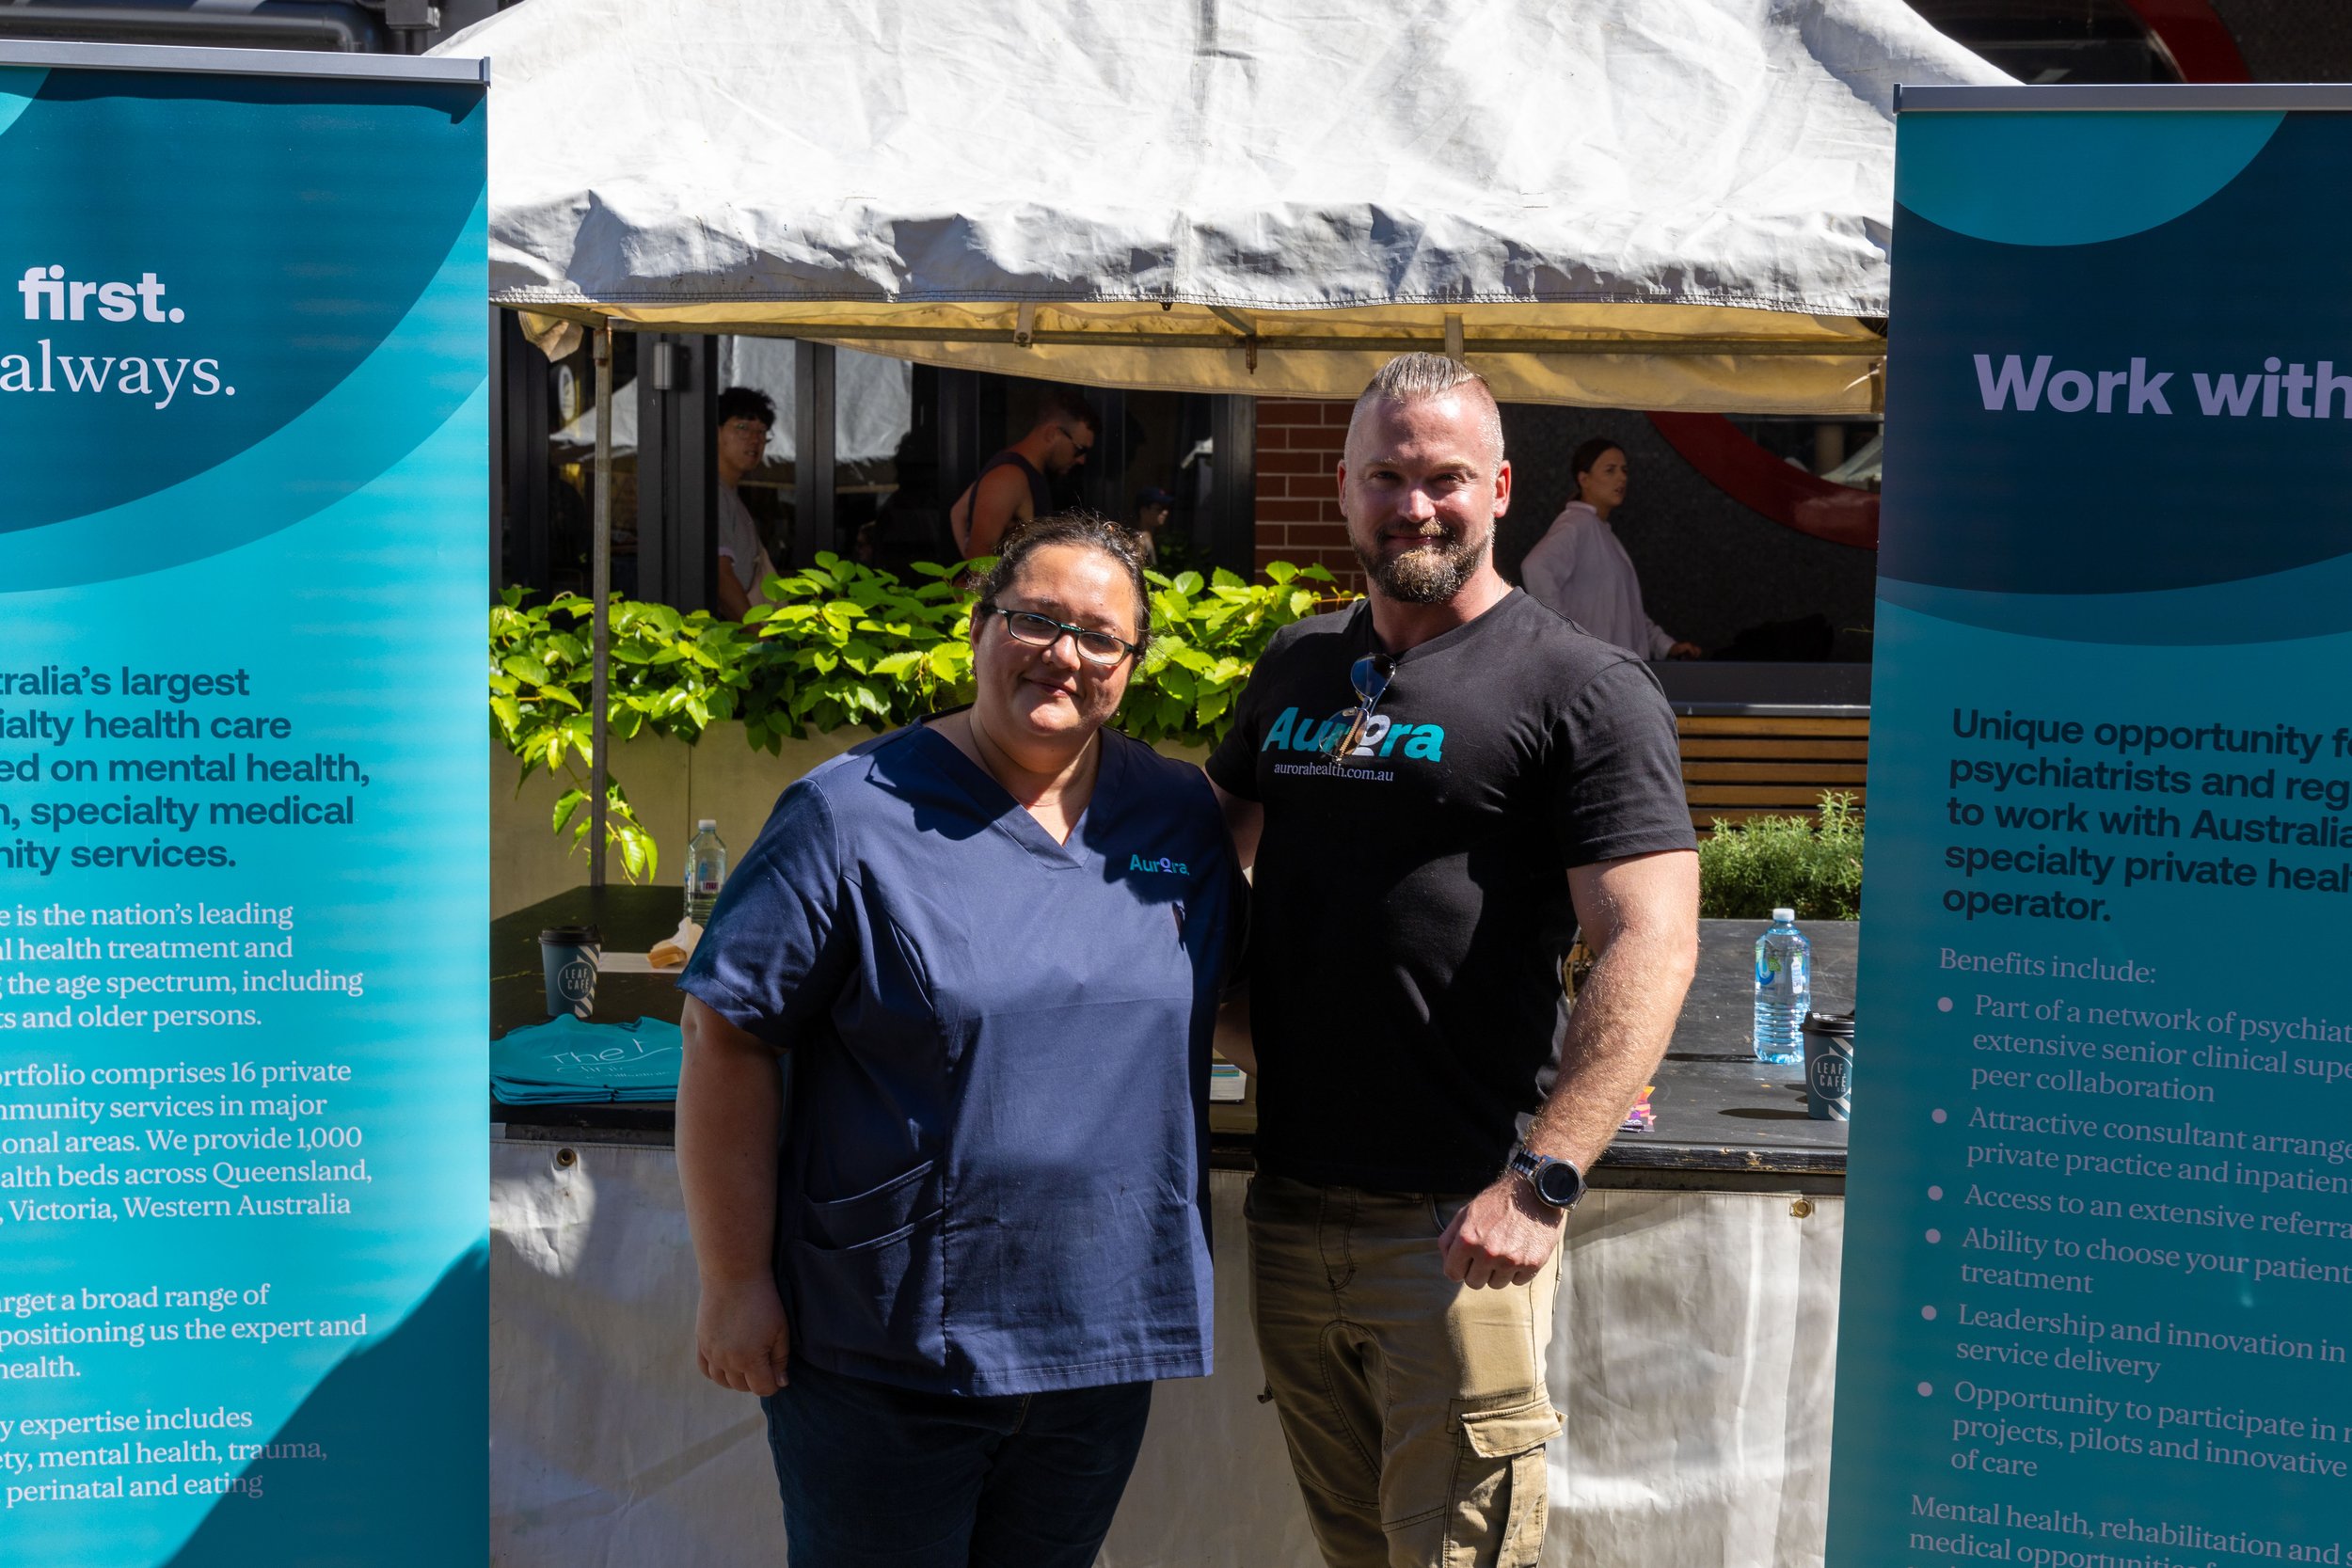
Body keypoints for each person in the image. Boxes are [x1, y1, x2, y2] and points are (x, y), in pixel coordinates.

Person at [1205, 356, 1699, 1568]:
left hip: (1459, 1222)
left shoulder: (1582, 685)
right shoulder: (1297, 668)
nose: (1413, 505)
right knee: (1354, 1553)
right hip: (1292, 1204)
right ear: (1342, 487)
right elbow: (1194, 863)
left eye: (1443, 478)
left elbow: (1650, 935)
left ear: (1501, 488)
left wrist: (1543, 1180)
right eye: (1386, 476)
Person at [675, 513, 1242, 1568]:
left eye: (1099, 635)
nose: (1064, 654)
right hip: (888, 1346)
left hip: (1097, 1338)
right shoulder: (850, 814)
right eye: (1034, 618)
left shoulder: (1174, 816)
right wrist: (731, 1278)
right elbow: (725, 1033)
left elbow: (1235, 1003)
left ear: (1133, 662)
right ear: (977, 627)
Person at [1518, 437, 1702, 659]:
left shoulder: (1602, 532)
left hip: (1612, 673)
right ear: (1584, 479)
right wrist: (1565, 637)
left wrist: (1666, 646)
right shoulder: (1577, 522)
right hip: (1594, 671)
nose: (1622, 477)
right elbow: (1536, 567)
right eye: (1610, 470)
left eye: (1624, 470)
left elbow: (1629, 612)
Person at [947, 388, 1099, 559]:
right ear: (1052, 434)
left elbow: (958, 512)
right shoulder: (1009, 476)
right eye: (1079, 450)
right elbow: (978, 557)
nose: (1082, 460)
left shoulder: (1022, 470)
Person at [714, 386, 782, 622]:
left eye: (762, 431)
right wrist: (756, 635)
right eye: (742, 427)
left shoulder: (729, 492)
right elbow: (720, 576)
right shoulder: (713, 493)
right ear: (716, 432)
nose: (755, 439)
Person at [1133, 485, 1174, 565]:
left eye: (1166, 508)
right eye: (1159, 509)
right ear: (1144, 511)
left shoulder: (1153, 537)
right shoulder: (1140, 540)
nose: (1165, 512)